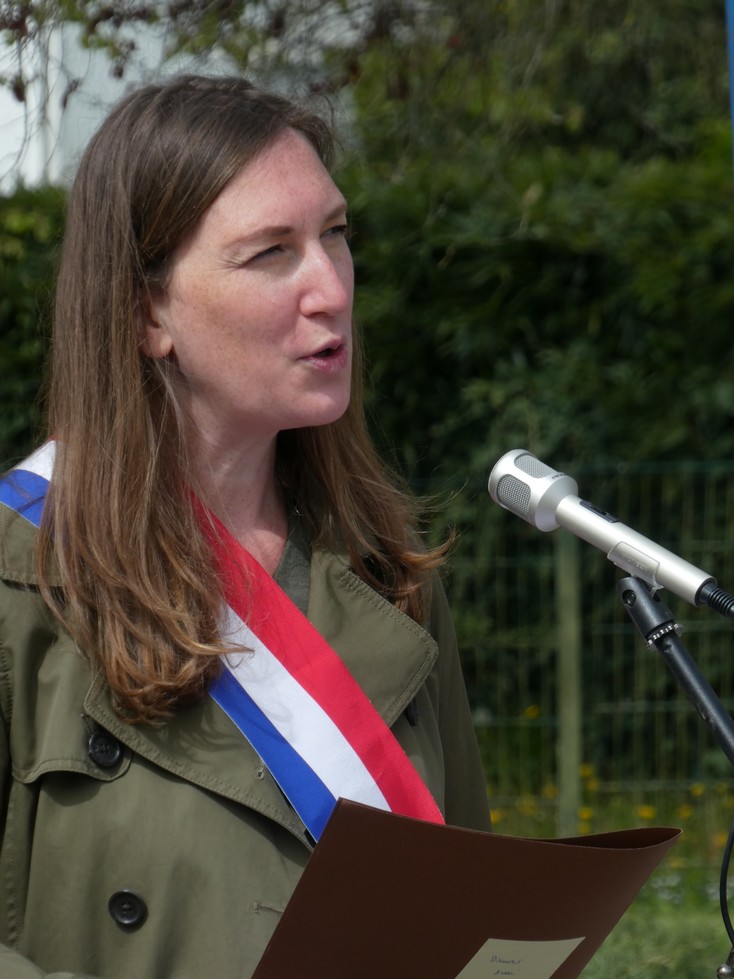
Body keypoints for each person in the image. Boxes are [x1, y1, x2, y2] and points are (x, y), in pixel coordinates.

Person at [0, 74, 491, 978]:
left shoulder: (386, 573)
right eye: (271, 253)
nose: (331, 288)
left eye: (335, 234)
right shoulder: (19, 582)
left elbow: (471, 900)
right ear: (146, 312)